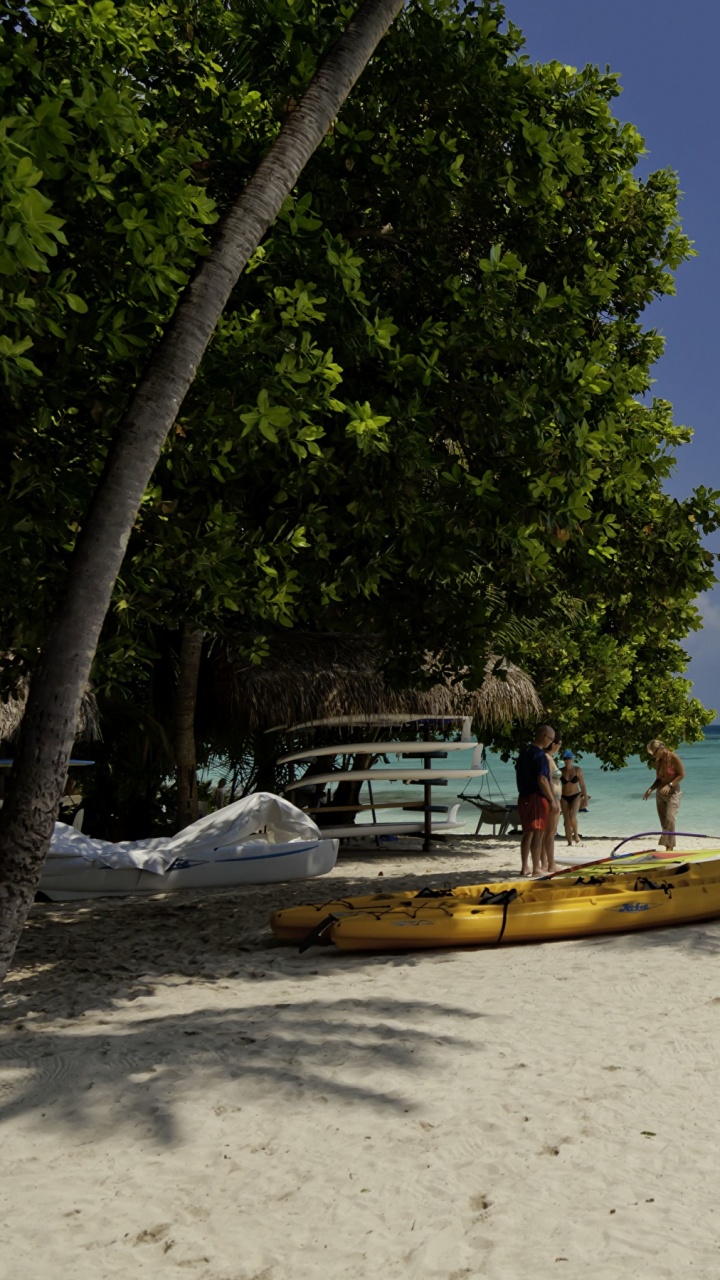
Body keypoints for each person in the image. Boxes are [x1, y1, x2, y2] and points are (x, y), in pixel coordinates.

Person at [515, 724, 559, 876]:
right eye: (551, 739)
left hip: (523, 795)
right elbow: (542, 779)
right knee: (538, 833)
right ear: (544, 737)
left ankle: (524, 867)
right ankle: (536, 868)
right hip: (536, 796)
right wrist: (552, 799)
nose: (551, 742)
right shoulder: (539, 755)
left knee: (527, 832)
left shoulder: (524, 752)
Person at [643, 739, 685, 850]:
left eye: (654, 752)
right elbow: (658, 779)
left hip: (673, 794)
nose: (653, 756)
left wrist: (670, 785)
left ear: (661, 748)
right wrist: (651, 789)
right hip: (660, 794)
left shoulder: (674, 758)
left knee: (670, 820)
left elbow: (681, 775)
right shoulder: (657, 761)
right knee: (664, 824)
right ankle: (669, 848)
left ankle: (668, 847)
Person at [541, 737, 563, 873]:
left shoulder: (549, 757)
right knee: (550, 833)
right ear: (553, 744)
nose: (560, 747)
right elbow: (548, 780)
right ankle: (550, 864)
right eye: (559, 744)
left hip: (554, 798)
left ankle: (545, 863)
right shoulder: (547, 758)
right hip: (553, 798)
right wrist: (553, 801)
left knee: (548, 833)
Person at [560, 749, 588, 847]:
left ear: (572, 759)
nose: (567, 760)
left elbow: (582, 785)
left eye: (569, 758)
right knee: (566, 820)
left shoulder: (577, 770)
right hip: (564, 797)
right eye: (565, 759)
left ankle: (576, 836)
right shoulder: (560, 771)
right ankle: (569, 842)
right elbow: (553, 784)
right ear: (563, 760)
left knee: (572, 817)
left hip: (576, 796)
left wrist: (585, 798)